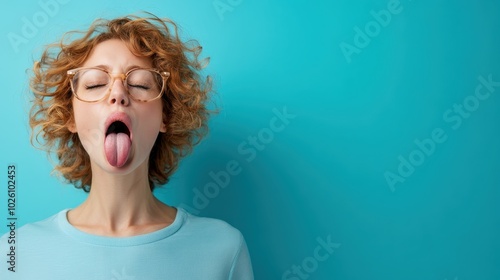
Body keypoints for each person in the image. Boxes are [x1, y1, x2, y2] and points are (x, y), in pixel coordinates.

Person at [0, 13, 253, 279]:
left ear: (166, 116)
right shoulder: (15, 254)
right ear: (69, 117)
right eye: (96, 83)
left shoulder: (223, 249)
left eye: (140, 84)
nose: (118, 94)